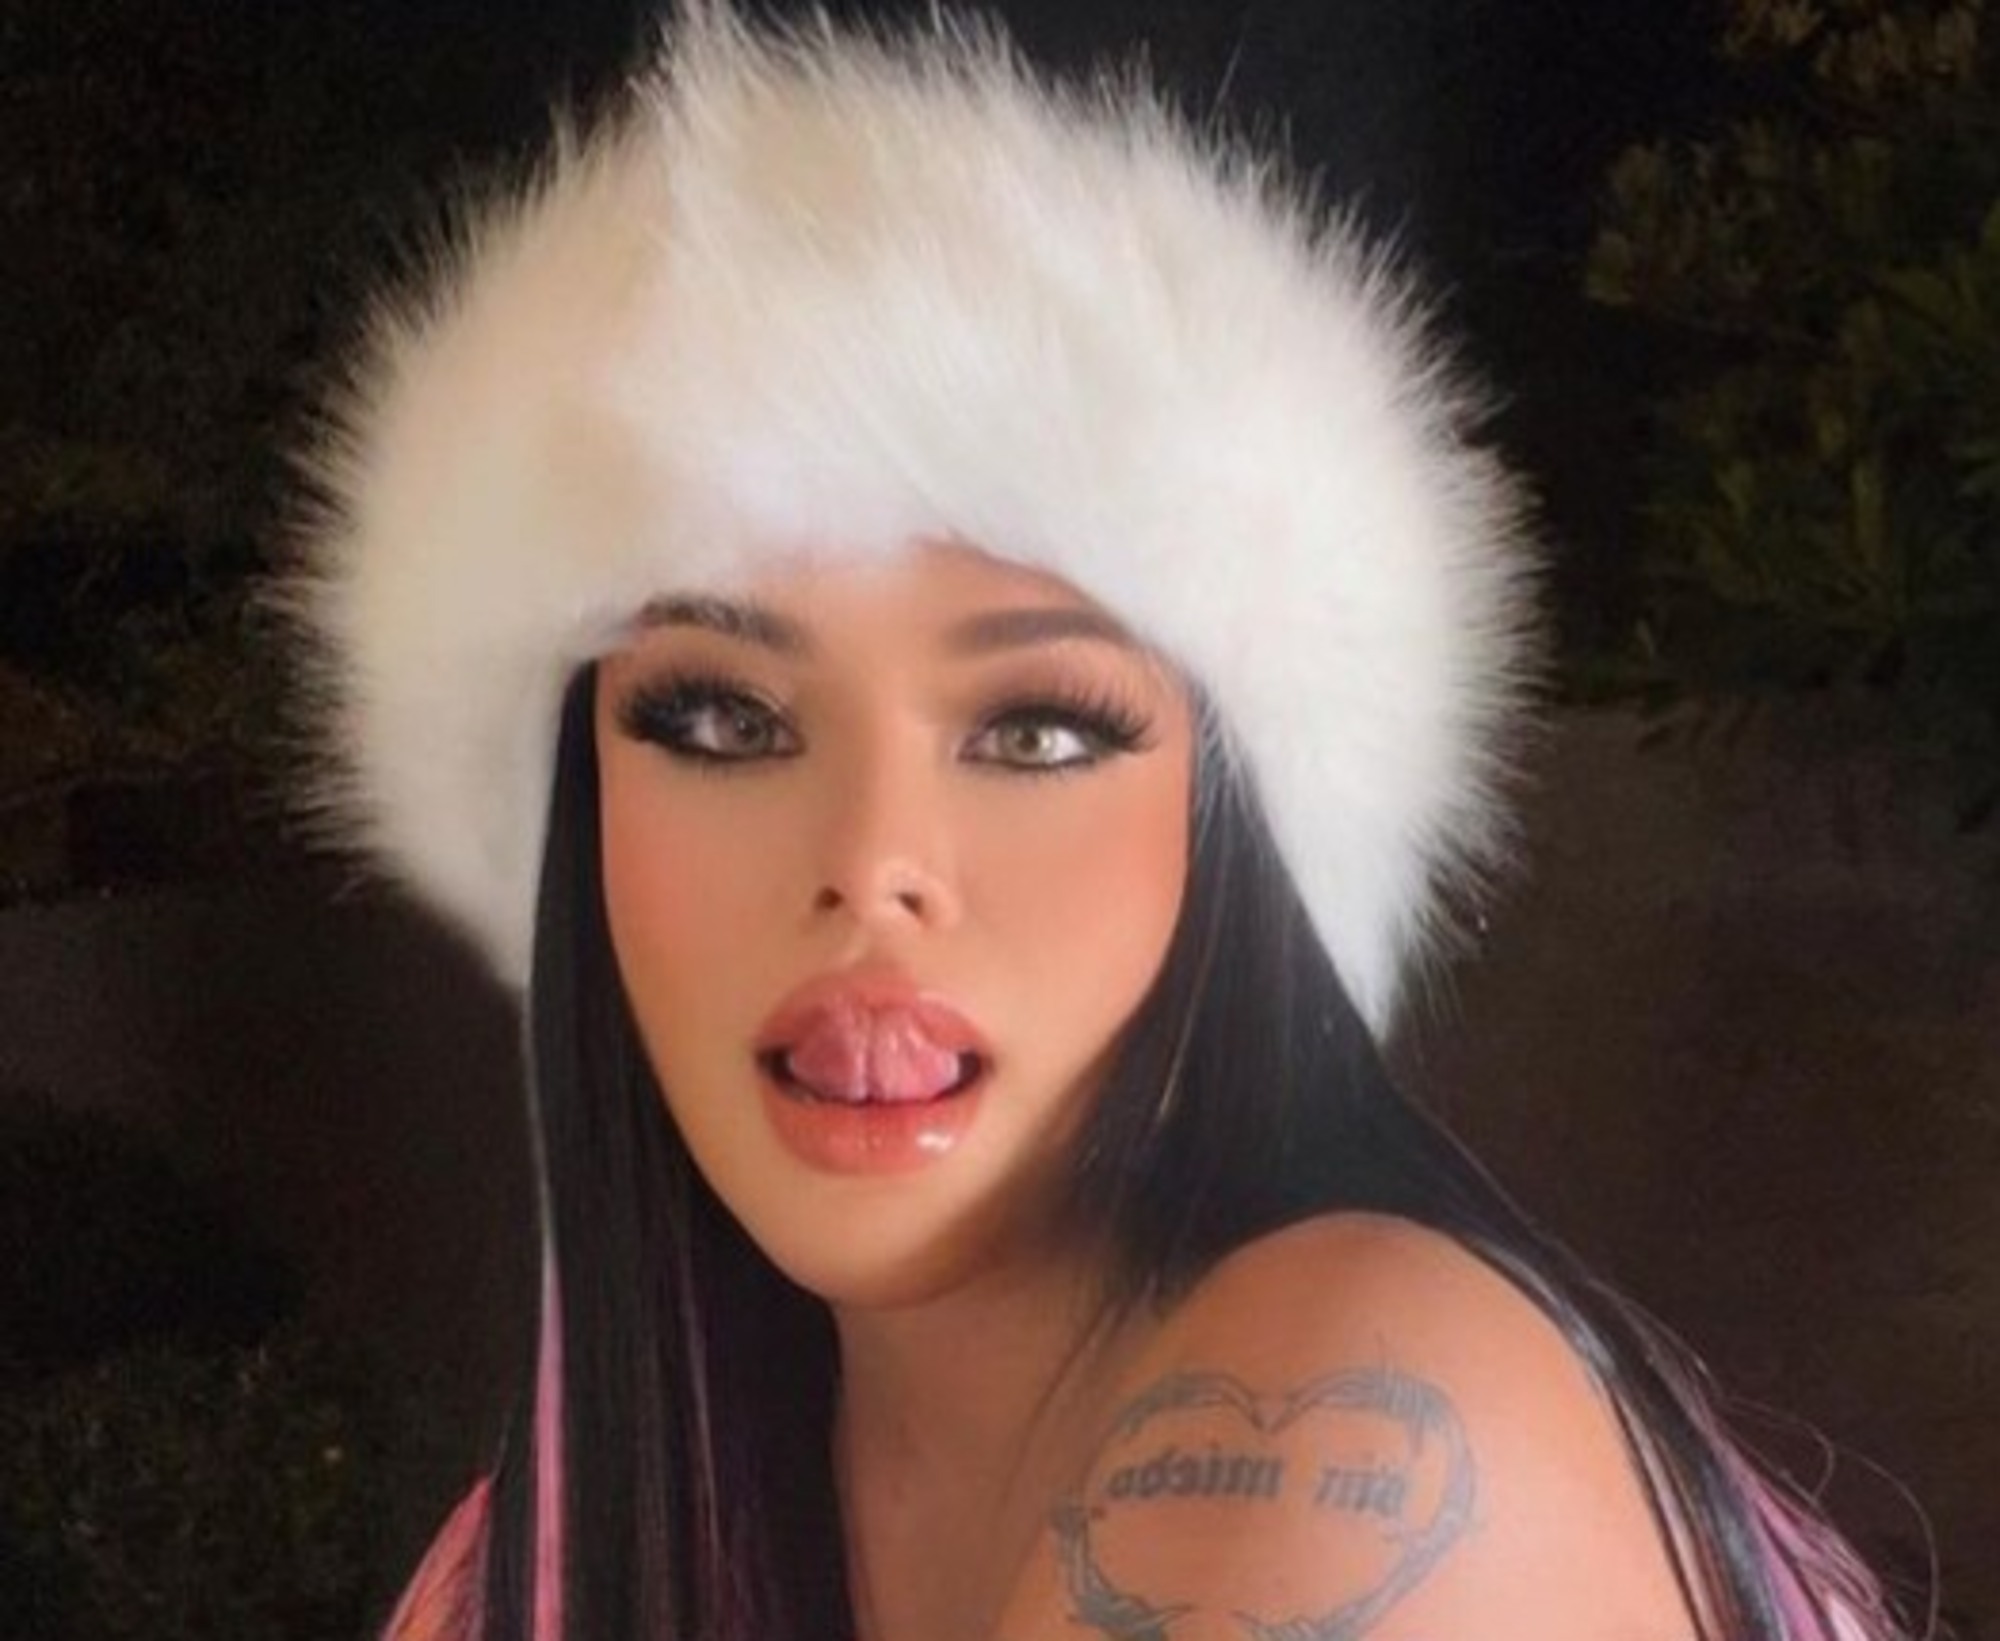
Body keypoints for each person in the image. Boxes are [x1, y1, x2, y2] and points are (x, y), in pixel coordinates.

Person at [285, 5, 1919, 1637]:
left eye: (1037, 728)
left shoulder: (1358, 1431)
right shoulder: (550, 1553)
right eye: (721, 716)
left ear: (1238, 828)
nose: (871, 864)